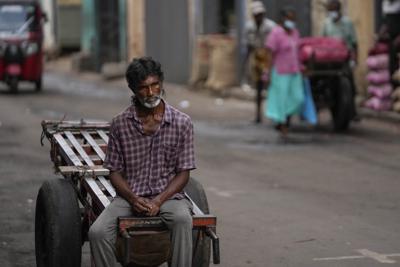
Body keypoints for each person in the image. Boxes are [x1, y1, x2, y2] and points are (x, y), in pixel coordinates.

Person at [89, 57, 196, 267]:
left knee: (183, 220)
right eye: (143, 88)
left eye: (155, 85)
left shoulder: (182, 122)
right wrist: (132, 198)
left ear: (162, 83)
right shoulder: (120, 124)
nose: (150, 93)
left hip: (169, 198)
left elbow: (184, 172)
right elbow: (115, 171)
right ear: (132, 89)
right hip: (129, 197)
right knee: (97, 232)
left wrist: (158, 200)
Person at [264, 7, 304, 136]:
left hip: (294, 70)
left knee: (298, 98)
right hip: (280, 72)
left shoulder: (295, 33)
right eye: (289, 18)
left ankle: (285, 117)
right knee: (281, 99)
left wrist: (302, 66)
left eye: (293, 19)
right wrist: (268, 72)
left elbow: (297, 52)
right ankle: (283, 124)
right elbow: (270, 53)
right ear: (283, 19)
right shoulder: (276, 33)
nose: (291, 21)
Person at [321, 0, 359, 120]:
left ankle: (352, 112)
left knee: (350, 84)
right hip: (330, 59)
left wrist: (355, 59)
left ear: (339, 10)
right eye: (330, 10)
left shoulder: (347, 23)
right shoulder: (326, 24)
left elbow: (354, 43)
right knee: (328, 82)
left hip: (344, 59)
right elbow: (322, 41)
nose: (332, 13)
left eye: (334, 10)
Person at [244, 0, 276, 123]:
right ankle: (258, 115)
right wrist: (246, 63)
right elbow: (248, 45)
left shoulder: (270, 26)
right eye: (256, 15)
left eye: (260, 14)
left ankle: (274, 114)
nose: (258, 17)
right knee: (258, 87)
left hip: (268, 57)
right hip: (256, 57)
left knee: (272, 86)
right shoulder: (249, 27)